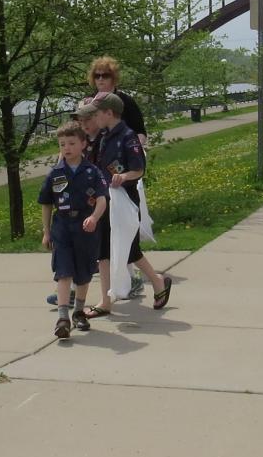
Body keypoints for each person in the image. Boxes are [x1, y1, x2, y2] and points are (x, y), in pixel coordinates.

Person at [80, 92, 172, 320]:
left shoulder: (127, 137)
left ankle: (157, 281)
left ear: (109, 113)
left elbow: (139, 169)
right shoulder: (103, 136)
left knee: (129, 249)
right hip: (105, 200)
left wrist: (123, 176)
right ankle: (106, 300)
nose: (94, 119)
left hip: (124, 201)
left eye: (96, 114)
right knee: (105, 250)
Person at [38, 122, 107, 339]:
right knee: (63, 271)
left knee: (84, 273)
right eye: (62, 144)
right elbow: (47, 203)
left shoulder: (92, 172)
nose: (66, 148)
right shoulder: (55, 173)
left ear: (83, 144)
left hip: (85, 228)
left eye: (71, 143)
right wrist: (46, 231)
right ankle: (62, 318)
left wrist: (94, 217)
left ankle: (78, 312)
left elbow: (102, 199)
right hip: (63, 227)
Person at [88, 55, 148, 145]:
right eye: (97, 76)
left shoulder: (127, 101)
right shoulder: (88, 102)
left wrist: (135, 149)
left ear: (113, 77)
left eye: (105, 75)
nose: (100, 79)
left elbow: (140, 131)